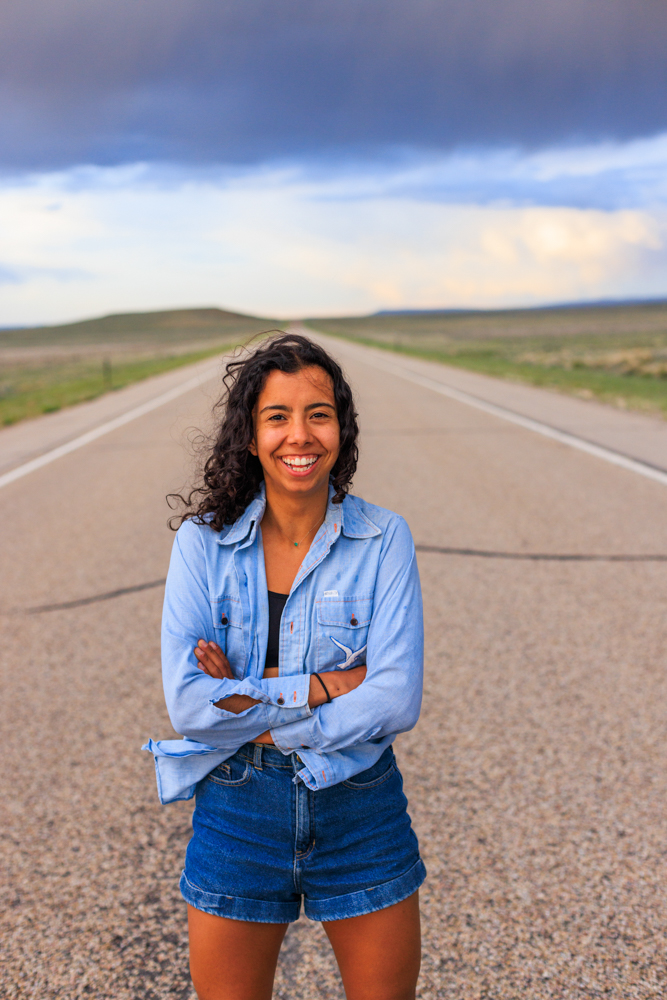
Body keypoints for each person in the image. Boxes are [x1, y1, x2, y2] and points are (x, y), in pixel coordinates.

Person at [145, 332, 425, 1000]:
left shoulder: (384, 538)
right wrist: (326, 687)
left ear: (340, 430)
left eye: (318, 414)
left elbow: (395, 698)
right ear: (249, 435)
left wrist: (249, 700)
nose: (299, 435)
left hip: (360, 806)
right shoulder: (201, 544)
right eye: (277, 417)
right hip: (237, 811)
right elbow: (188, 706)